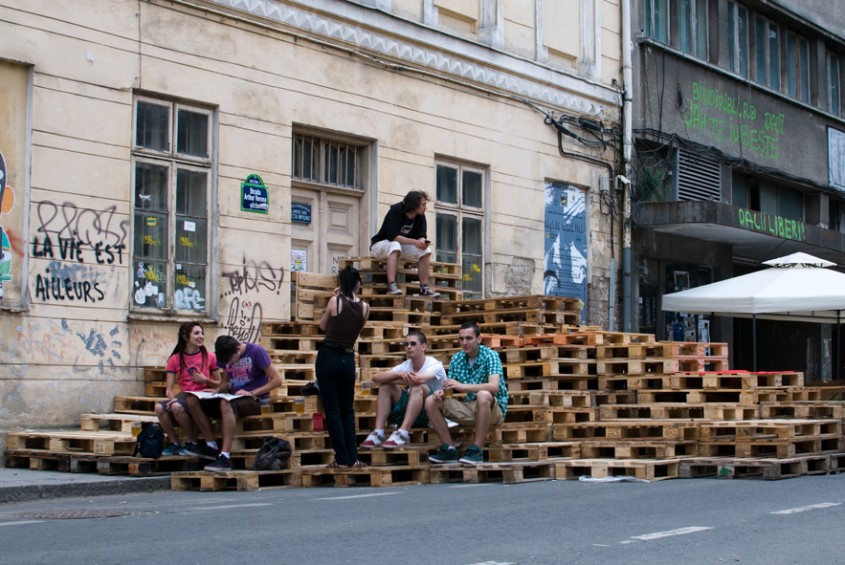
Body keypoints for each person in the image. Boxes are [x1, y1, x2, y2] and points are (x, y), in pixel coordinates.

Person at [183, 336, 282, 471]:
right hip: (232, 397)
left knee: (225, 403)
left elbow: (277, 380)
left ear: (238, 349)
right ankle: (211, 446)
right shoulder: (225, 355)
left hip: (254, 399)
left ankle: (225, 456)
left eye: (231, 360)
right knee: (191, 399)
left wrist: (253, 392)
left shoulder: (256, 351)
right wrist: (216, 390)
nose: (229, 363)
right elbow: (225, 381)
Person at [425, 321, 508, 465]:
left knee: (483, 395)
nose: (464, 342)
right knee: (431, 400)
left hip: (493, 410)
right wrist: (441, 393)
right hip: (470, 407)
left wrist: (463, 387)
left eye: (469, 338)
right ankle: (449, 448)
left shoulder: (491, 355)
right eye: (461, 339)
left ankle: (477, 449)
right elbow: (451, 388)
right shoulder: (457, 358)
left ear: (479, 339)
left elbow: (494, 387)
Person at [316, 266, 370, 468]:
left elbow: (322, 326)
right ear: (358, 283)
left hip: (328, 355)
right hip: (348, 357)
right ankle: (352, 457)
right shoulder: (365, 308)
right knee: (348, 409)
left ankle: (341, 459)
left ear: (340, 283)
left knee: (333, 410)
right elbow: (356, 328)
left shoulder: (335, 302)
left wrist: (335, 296)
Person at [359, 330, 447, 449]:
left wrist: (393, 378)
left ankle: (403, 433)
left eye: (413, 344)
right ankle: (378, 432)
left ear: (423, 346)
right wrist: (399, 375)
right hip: (412, 411)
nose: (409, 347)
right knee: (385, 386)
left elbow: (417, 380)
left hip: (432, 413)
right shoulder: (406, 365)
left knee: (418, 387)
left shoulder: (435, 365)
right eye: (406, 344)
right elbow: (376, 377)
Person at [155, 322, 221, 456]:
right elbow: (169, 388)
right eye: (196, 333)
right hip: (184, 396)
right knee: (159, 407)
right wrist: (172, 400)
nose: (201, 336)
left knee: (177, 407)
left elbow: (220, 383)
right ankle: (174, 443)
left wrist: (206, 380)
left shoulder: (210, 357)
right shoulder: (174, 359)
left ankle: (193, 442)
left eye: (202, 333)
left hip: (203, 398)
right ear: (186, 337)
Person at [370, 190, 441, 297]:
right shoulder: (396, 210)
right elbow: (393, 236)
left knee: (426, 251)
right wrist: (415, 242)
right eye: (423, 204)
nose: (425, 207)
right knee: (395, 245)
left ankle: (424, 287)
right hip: (381, 245)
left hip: (400, 248)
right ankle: (392, 285)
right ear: (414, 205)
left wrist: (422, 241)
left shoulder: (420, 215)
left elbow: (421, 234)